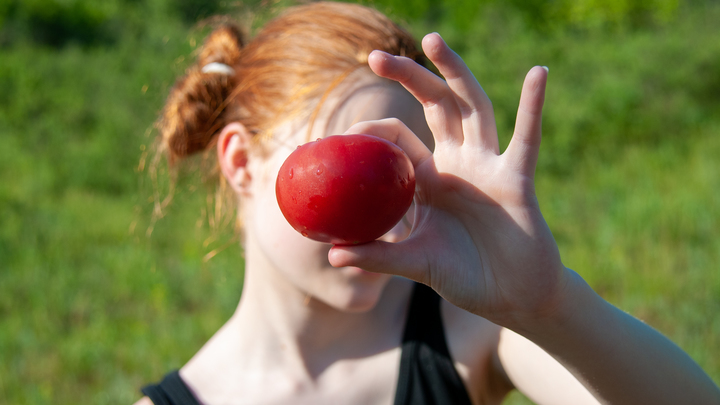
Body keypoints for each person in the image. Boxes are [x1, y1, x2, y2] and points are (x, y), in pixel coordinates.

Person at [135, 2, 720, 404]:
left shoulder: (474, 337)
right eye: (350, 169)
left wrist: (549, 306)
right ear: (241, 162)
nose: (387, 219)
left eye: (401, 168)